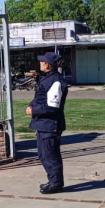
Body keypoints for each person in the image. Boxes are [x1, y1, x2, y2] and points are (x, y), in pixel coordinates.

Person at [26, 52, 68, 194]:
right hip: (44, 125)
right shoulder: (48, 79)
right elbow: (40, 97)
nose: (40, 63)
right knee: (45, 155)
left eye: (42, 61)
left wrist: (34, 110)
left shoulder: (56, 82)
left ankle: (55, 184)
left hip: (50, 125)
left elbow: (52, 107)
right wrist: (31, 106)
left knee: (50, 156)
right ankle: (53, 181)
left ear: (48, 65)